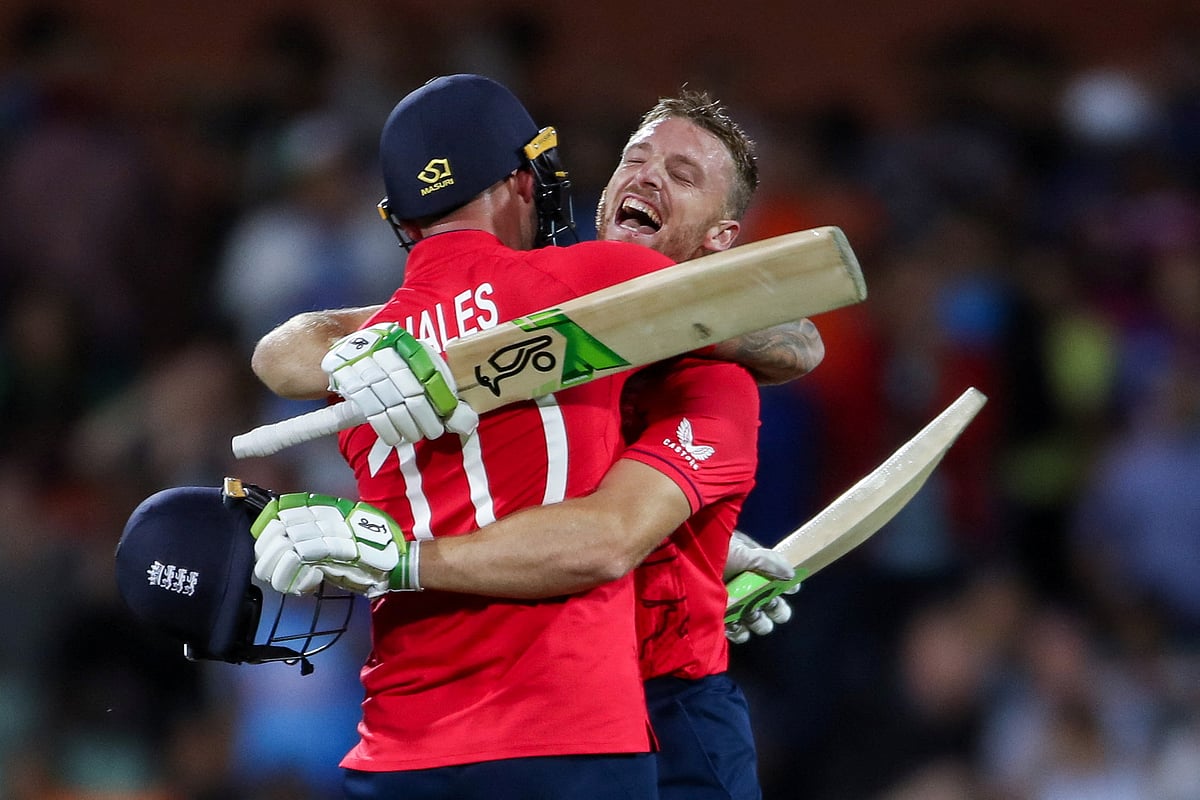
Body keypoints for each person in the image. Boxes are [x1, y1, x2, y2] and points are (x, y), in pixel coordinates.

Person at [249, 79, 821, 799]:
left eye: (680, 175)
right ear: (535, 180)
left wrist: (694, 553)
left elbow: (800, 339)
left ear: (721, 240)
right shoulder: (566, 289)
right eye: (635, 160)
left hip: (664, 713)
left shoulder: (709, 374)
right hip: (575, 724)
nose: (647, 176)